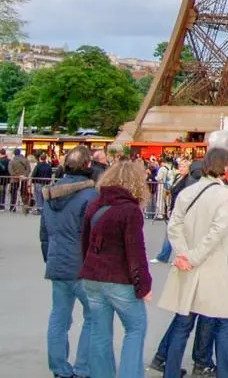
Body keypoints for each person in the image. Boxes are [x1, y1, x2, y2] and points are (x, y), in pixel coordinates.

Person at [159, 148, 228, 378]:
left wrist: (183, 254)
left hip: (189, 266)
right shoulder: (224, 195)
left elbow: (173, 226)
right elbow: (218, 231)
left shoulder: (188, 192)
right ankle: (225, 372)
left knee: (183, 322)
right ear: (223, 166)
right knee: (224, 320)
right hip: (214, 266)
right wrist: (193, 256)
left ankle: (171, 371)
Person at [80, 160, 152, 378]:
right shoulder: (130, 211)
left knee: (99, 333)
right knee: (136, 328)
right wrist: (144, 286)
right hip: (118, 279)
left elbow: (85, 242)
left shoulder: (95, 205)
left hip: (92, 276)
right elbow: (135, 253)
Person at [40, 145, 99, 378]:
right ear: (88, 166)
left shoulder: (51, 192)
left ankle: (59, 369)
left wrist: (50, 258)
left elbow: (44, 233)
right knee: (93, 317)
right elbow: (94, 234)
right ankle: (83, 368)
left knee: (59, 317)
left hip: (58, 261)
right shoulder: (90, 195)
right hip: (82, 264)